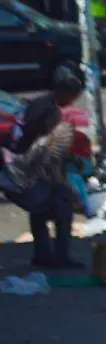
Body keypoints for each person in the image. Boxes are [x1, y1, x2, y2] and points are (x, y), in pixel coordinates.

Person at [0, 65, 87, 269]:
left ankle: (42, 254)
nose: (73, 100)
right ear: (65, 91)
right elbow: (53, 149)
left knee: (40, 211)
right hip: (32, 168)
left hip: (21, 164)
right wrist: (71, 165)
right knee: (63, 208)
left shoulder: (39, 103)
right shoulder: (50, 112)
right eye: (74, 95)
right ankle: (60, 257)